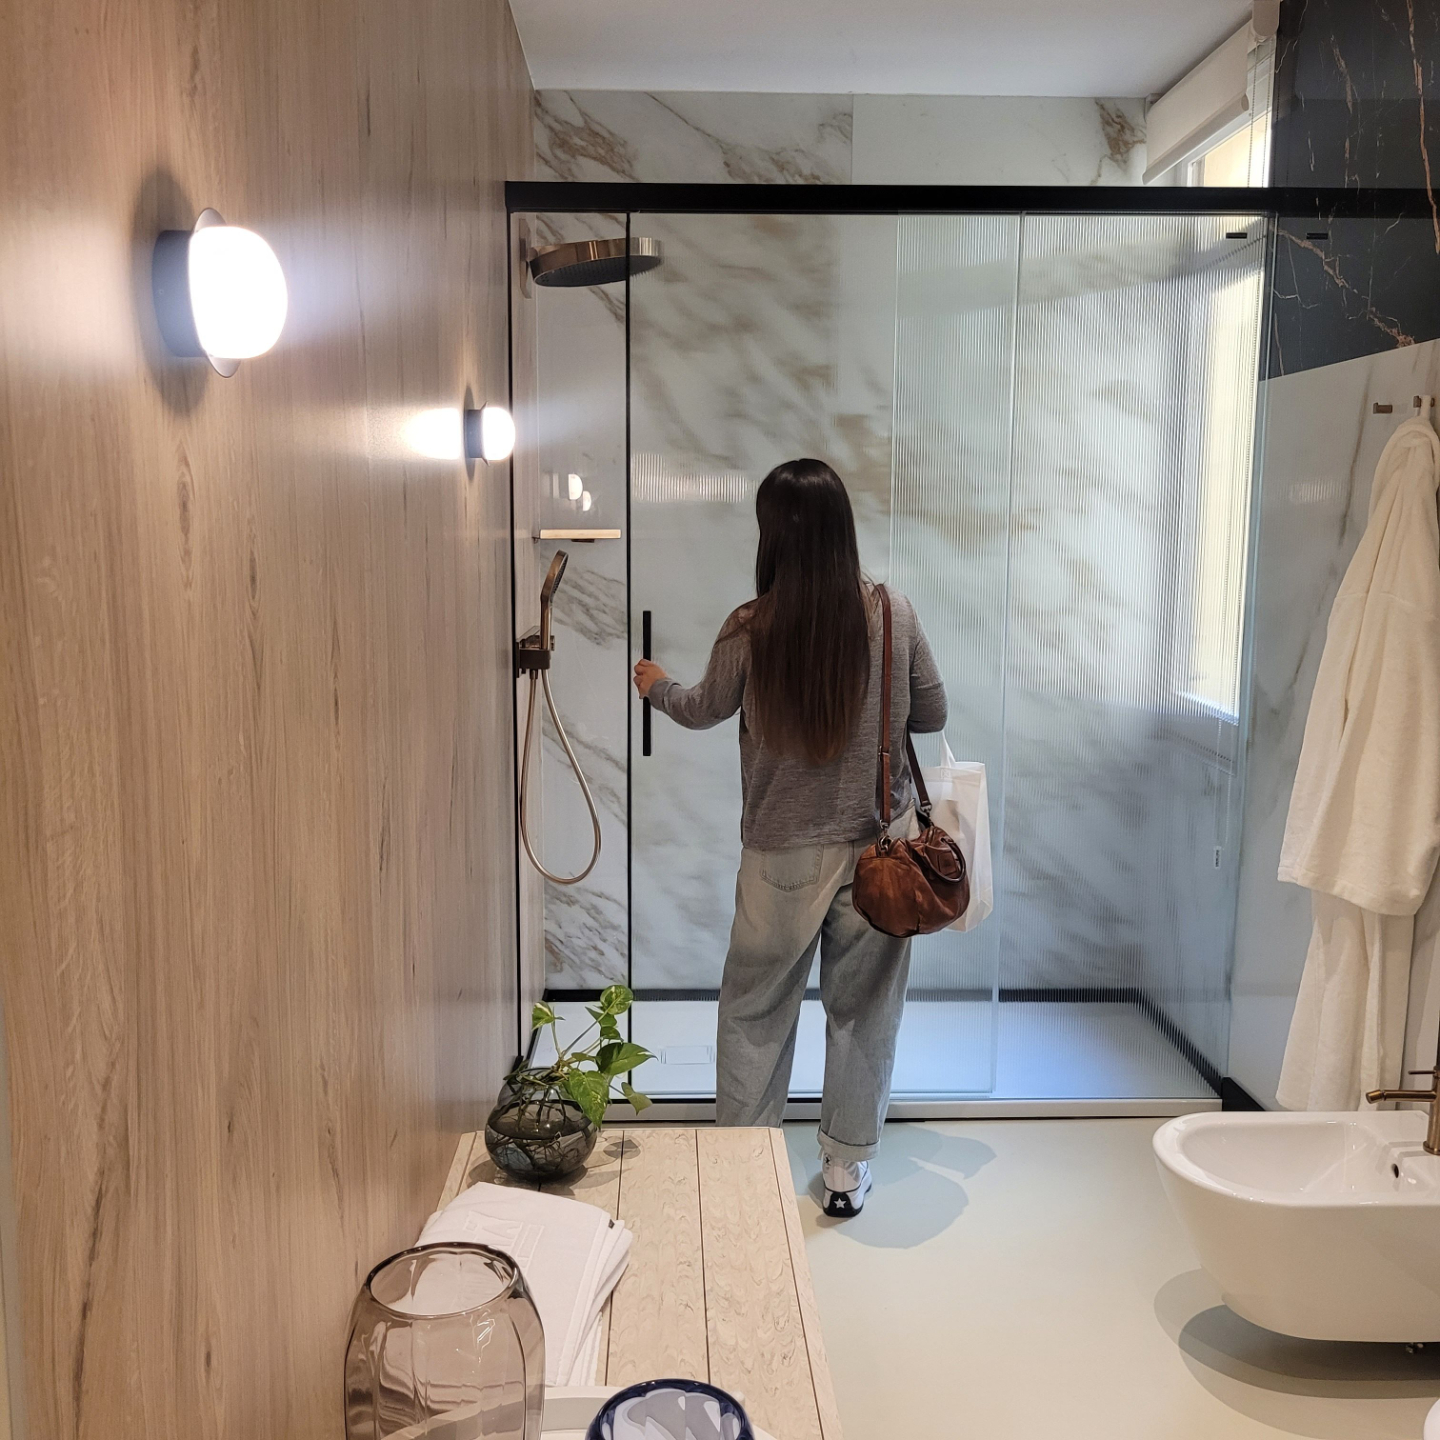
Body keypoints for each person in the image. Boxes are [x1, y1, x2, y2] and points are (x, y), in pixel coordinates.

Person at [633, 457, 947, 1217]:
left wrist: (654, 685)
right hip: (879, 854)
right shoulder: (894, 614)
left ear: (773, 534)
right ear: (843, 528)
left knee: (754, 1010)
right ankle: (844, 1171)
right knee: (862, 1012)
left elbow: (703, 708)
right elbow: (932, 714)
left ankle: (743, 1171)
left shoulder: (751, 626)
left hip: (779, 856)